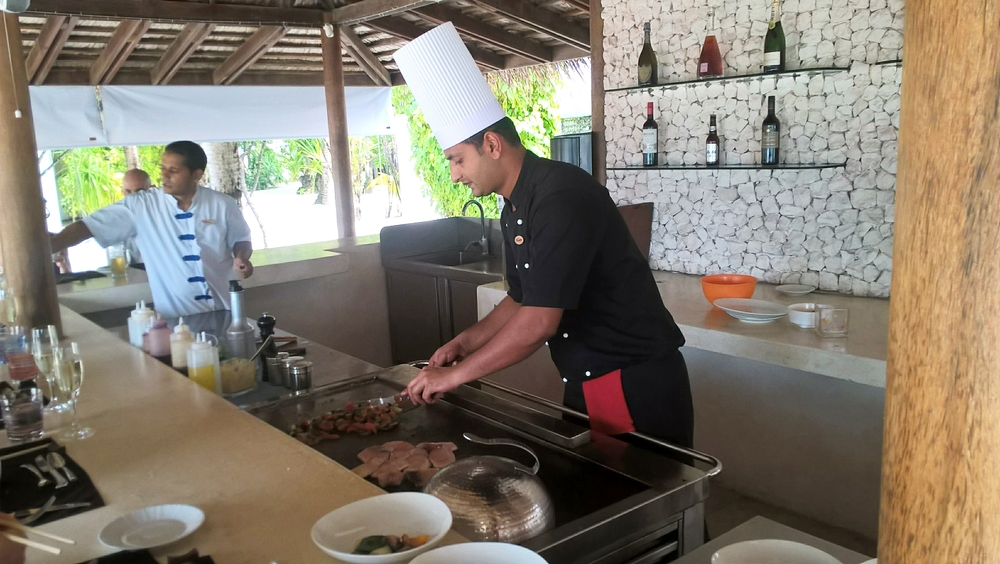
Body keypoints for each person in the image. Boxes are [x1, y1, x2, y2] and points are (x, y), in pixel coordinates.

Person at [395, 23, 693, 447]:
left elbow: (538, 322)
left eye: (458, 159)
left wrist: (456, 375)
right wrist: (463, 342)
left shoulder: (561, 195)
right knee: (598, 495)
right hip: (587, 378)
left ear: (492, 145)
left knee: (645, 505)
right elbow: (521, 297)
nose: (454, 174)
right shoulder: (516, 204)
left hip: (629, 379)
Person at [50, 141, 254, 318]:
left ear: (196, 175)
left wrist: (241, 257)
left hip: (226, 309)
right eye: (163, 168)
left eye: (173, 171)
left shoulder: (222, 204)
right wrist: (47, 246)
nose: (164, 176)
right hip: (177, 317)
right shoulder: (142, 206)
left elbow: (241, 239)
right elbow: (87, 227)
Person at [120, 168, 152, 264]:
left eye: (139, 191)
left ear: (152, 190)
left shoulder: (164, 218)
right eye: (128, 192)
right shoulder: (119, 223)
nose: (133, 197)